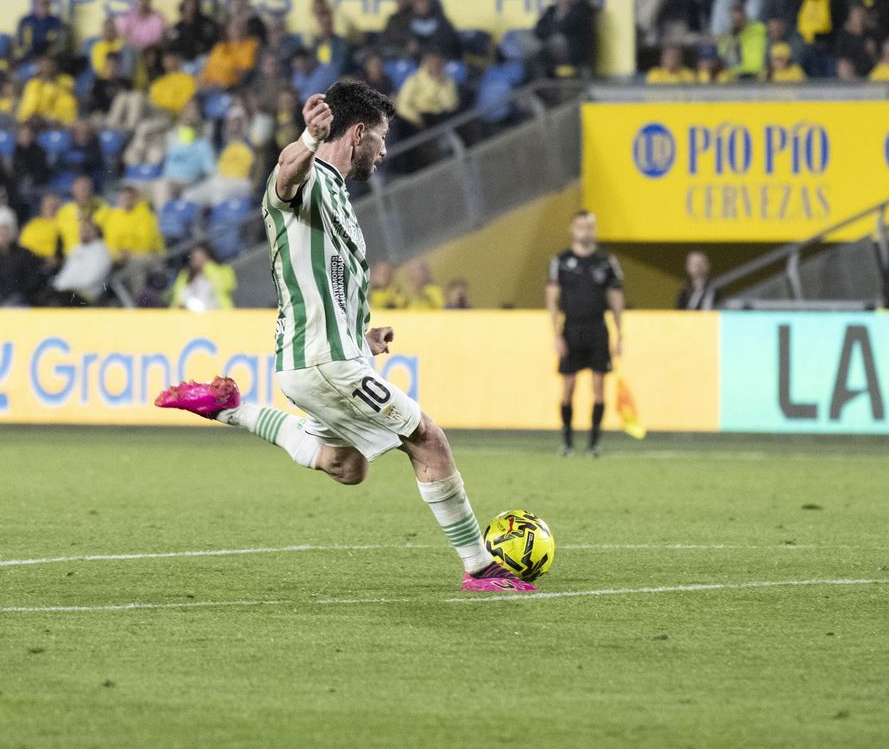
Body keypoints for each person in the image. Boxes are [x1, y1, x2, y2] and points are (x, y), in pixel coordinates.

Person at [156, 81, 533, 593]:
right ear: (357, 134)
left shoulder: (338, 196)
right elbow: (285, 175)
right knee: (428, 441)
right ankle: (481, 568)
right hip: (325, 363)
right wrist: (309, 139)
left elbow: (329, 284)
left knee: (345, 465)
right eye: (381, 138)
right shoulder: (310, 177)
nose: (384, 151)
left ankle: (232, 409)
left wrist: (362, 336)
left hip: (318, 360)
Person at [546, 211, 624, 458]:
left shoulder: (606, 262)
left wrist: (620, 334)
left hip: (598, 327)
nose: (586, 231)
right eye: (581, 226)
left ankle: (594, 444)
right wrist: (556, 334)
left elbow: (615, 298)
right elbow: (552, 300)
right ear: (572, 229)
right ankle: (568, 443)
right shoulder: (560, 261)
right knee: (568, 387)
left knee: (599, 386)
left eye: (589, 226)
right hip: (571, 328)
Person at [52, 219, 113, 304]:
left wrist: (68, 286)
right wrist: (58, 286)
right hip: (66, 291)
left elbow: (93, 278)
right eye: (82, 230)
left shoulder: (102, 252)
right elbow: (66, 272)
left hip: (85, 295)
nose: (83, 232)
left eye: (87, 230)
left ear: (96, 231)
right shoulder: (76, 249)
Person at [169, 244, 236, 310]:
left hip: (216, 312)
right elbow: (178, 296)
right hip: (189, 313)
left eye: (200, 257)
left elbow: (225, 287)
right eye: (194, 257)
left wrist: (208, 266)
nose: (196, 260)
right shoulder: (185, 274)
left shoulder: (222, 269)